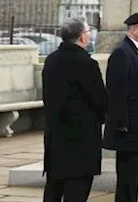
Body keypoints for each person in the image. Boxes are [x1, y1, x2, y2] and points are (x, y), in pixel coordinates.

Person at [42, 18, 108, 202]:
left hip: (56, 135)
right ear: (82, 38)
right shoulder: (86, 63)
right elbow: (100, 100)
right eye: (88, 32)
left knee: (53, 188)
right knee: (77, 190)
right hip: (81, 138)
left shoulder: (52, 60)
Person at [105, 12, 138, 202]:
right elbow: (117, 90)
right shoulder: (122, 52)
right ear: (134, 30)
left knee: (136, 174)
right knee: (128, 176)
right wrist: (121, 121)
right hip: (129, 127)